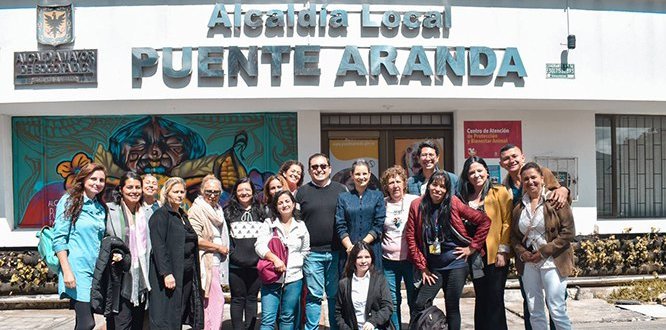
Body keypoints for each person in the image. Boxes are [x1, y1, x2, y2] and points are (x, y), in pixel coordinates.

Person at [405, 171, 491, 330]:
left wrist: (472, 248)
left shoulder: (453, 203)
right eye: (435, 184)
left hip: (456, 264)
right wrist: (422, 267)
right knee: (420, 303)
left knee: (452, 306)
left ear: (447, 190)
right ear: (428, 185)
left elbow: (484, 221)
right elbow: (410, 237)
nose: (437, 189)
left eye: (442, 187)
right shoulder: (417, 205)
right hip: (433, 267)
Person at [499, 143, 570, 330]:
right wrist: (520, 252)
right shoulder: (506, 188)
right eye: (506, 158)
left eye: (514, 156)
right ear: (501, 163)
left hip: (551, 256)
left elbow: (560, 197)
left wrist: (564, 189)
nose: (511, 161)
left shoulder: (542, 172)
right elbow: (514, 227)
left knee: (556, 306)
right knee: (532, 306)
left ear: (522, 156)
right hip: (527, 258)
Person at [458, 157, 512, 330]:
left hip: (495, 255)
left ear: (487, 172)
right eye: (471, 172)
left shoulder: (500, 192)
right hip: (475, 257)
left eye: (479, 171)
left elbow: (507, 222)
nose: (476, 175)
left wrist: (503, 250)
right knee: (481, 298)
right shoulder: (465, 196)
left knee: (495, 299)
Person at [53, 163, 108, 330]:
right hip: (76, 269)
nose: (97, 183)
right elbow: (59, 238)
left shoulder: (100, 208)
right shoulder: (70, 201)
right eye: (93, 179)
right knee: (87, 322)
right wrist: (67, 271)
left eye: (101, 180)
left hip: (95, 269)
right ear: (83, 179)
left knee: (82, 321)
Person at [296, 153, 348, 330]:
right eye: (315, 167)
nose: (319, 170)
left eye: (323, 166)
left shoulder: (341, 190)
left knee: (334, 296)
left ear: (330, 168)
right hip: (312, 254)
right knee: (314, 296)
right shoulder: (302, 192)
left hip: (336, 253)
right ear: (310, 170)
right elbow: (296, 222)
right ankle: (312, 328)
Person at [148, 177, 204, 330]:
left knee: (178, 314)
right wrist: (166, 273)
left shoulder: (182, 215)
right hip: (170, 275)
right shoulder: (160, 215)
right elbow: (159, 247)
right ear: (167, 193)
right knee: (166, 316)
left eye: (182, 191)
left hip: (186, 274)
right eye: (176, 192)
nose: (180, 195)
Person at [255, 190, 310, 330]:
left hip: (294, 278)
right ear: (276, 206)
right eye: (280, 202)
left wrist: (295, 263)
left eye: (287, 201)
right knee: (268, 319)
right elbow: (259, 246)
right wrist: (275, 259)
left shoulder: (301, 225)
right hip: (271, 277)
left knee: (287, 317)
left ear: (293, 204)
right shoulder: (269, 223)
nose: (284, 205)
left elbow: (305, 250)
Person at [105, 171, 151, 330]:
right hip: (119, 276)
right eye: (130, 187)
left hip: (142, 278)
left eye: (138, 187)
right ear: (121, 189)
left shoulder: (147, 212)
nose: (134, 191)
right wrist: (113, 253)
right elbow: (103, 240)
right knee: (121, 323)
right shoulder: (109, 210)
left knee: (138, 324)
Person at [188, 174, 230, 330]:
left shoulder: (218, 209)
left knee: (211, 301)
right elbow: (195, 239)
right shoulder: (197, 210)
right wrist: (218, 247)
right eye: (208, 192)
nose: (212, 195)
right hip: (207, 261)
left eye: (216, 192)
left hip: (217, 261)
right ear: (201, 191)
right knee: (216, 300)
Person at [380, 165, 418, 329]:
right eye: (391, 182)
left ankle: (415, 326)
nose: (395, 185)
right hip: (388, 261)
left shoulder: (415, 200)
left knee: (414, 298)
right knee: (393, 300)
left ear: (404, 183)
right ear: (386, 186)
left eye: (398, 181)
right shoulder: (382, 204)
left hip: (410, 260)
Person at [224, 177, 265, 330]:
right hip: (236, 266)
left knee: (252, 299)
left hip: (256, 265)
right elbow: (225, 237)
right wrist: (233, 254)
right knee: (237, 299)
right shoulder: (228, 212)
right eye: (240, 190)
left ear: (253, 192)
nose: (244, 193)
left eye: (247, 189)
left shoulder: (262, 211)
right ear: (235, 192)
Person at [336, 159, 386, 272]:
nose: (361, 177)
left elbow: (378, 225)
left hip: (371, 249)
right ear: (352, 175)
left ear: (369, 174)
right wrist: (350, 247)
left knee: (372, 286)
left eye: (364, 173)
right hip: (348, 250)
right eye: (358, 174)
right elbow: (340, 224)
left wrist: (361, 246)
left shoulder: (377, 196)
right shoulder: (343, 197)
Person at [334, 242, 393, 330]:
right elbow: (338, 313)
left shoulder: (380, 280)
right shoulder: (344, 284)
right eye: (359, 257)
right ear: (353, 260)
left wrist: (373, 322)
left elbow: (388, 307)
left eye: (367, 257)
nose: (363, 261)